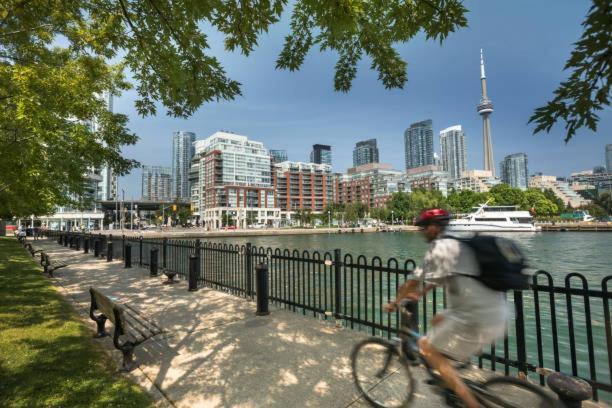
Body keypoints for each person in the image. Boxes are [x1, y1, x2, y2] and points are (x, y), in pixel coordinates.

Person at [385, 208, 508, 408]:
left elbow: (411, 283)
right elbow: (442, 276)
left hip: (475, 316)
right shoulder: (459, 242)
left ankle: (468, 401)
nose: (422, 231)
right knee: (437, 320)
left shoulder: (439, 248)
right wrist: (422, 294)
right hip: (494, 310)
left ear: (434, 227)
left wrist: (394, 303)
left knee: (426, 347)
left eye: (424, 227)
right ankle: (451, 368)